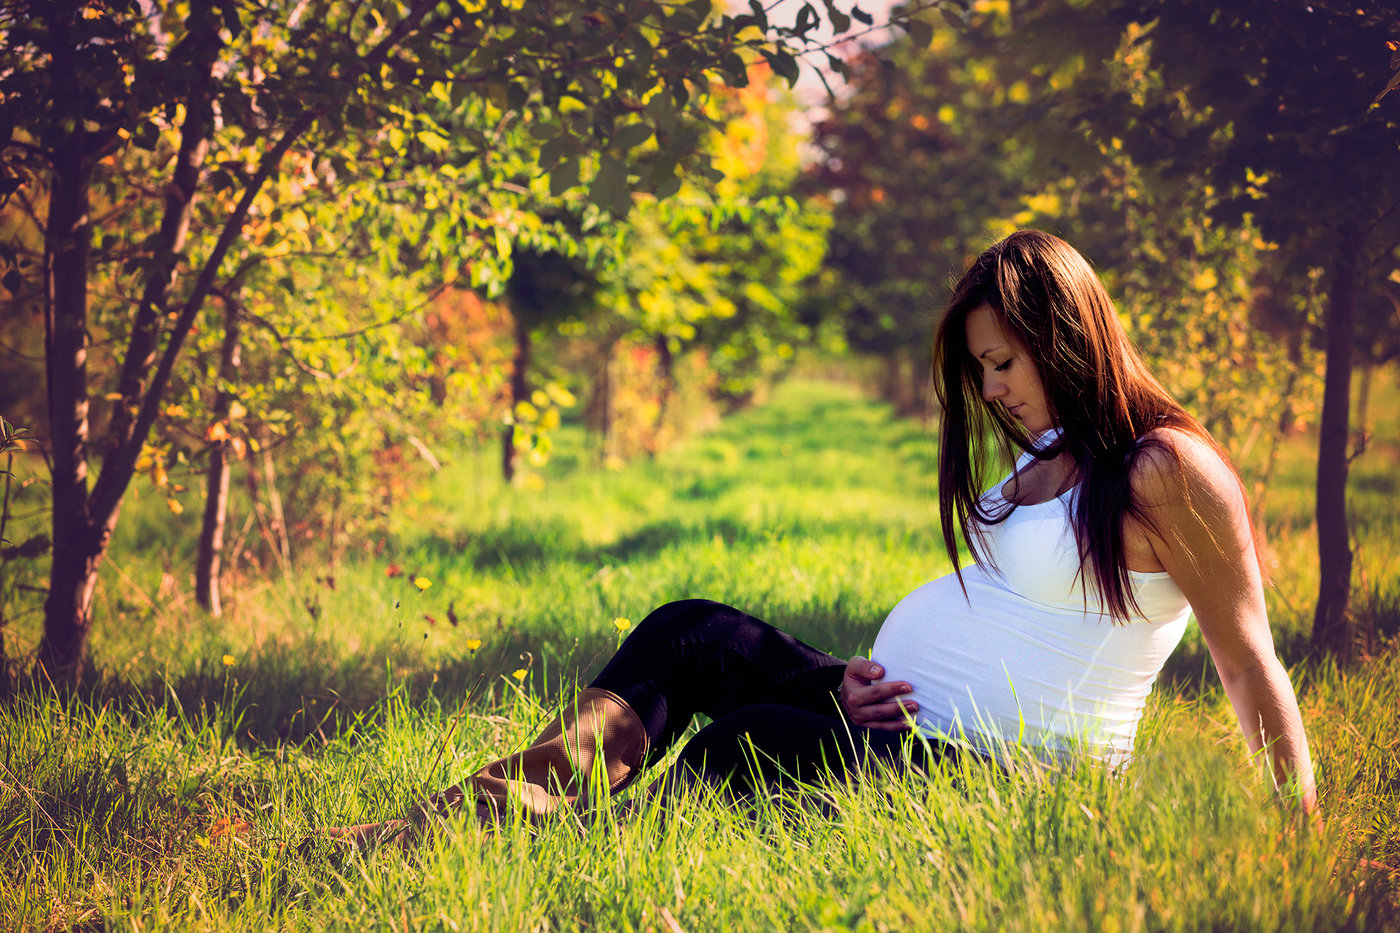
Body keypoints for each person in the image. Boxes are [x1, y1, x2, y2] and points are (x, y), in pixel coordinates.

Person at [328, 230, 1316, 846]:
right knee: (691, 632)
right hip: (902, 725)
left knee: (751, 740)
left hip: (1012, 777)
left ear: (1066, 332)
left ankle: (558, 848)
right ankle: (478, 809)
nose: (991, 391)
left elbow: (1246, 662)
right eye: (979, 370)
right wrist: (857, 681)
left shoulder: (1165, 470)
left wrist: (1296, 832)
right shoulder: (1050, 453)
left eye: (1003, 362)